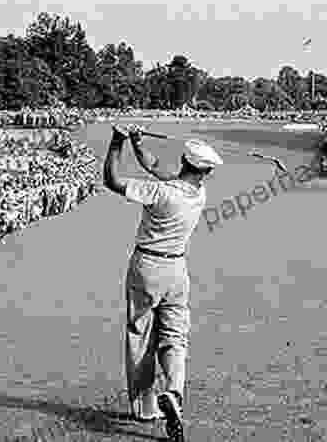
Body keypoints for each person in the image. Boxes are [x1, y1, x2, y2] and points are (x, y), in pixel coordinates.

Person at [103, 124, 223, 442]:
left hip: (146, 266)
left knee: (140, 335)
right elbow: (155, 167)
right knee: (174, 337)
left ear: (184, 162)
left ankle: (145, 406)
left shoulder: (161, 193)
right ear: (205, 171)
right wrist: (139, 144)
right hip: (177, 269)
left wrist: (117, 142)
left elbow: (112, 181)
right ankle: (173, 391)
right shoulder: (198, 194)